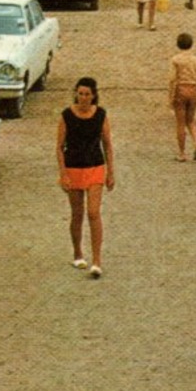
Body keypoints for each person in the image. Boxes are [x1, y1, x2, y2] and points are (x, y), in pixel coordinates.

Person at [57, 77, 114, 279]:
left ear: (94, 95)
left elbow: (107, 145)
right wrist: (63, 174)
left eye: (87, 94)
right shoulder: (66, 115)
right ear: (76, 94)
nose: (83, 98)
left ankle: (97, 260)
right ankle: (78, 253)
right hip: (73, 168)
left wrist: (111, 173)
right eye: (80, 94)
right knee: (77, 213)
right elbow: (59, 147)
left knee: (93, 212)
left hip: (95, 167)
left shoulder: (100, 115)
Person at [168, 33, 196, 161]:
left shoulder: (176, 60)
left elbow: (173, 79)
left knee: (180, 123)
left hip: (181, 89)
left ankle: (182, 153)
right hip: (193, 89)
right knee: (190, 120)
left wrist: (170, 97)